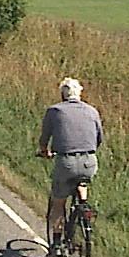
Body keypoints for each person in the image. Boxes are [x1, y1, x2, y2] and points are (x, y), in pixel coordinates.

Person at [36, 77, 102, 247]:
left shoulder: (55, 111)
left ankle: (56, 244)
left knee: (58, 203)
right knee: (82, 181)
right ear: (80, 94)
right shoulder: (92, 111)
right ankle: (83, 206)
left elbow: (45, 138)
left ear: (62, 94)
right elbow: (98, 138)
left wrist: (44, 151)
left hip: (66, 162)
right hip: (89, 161)